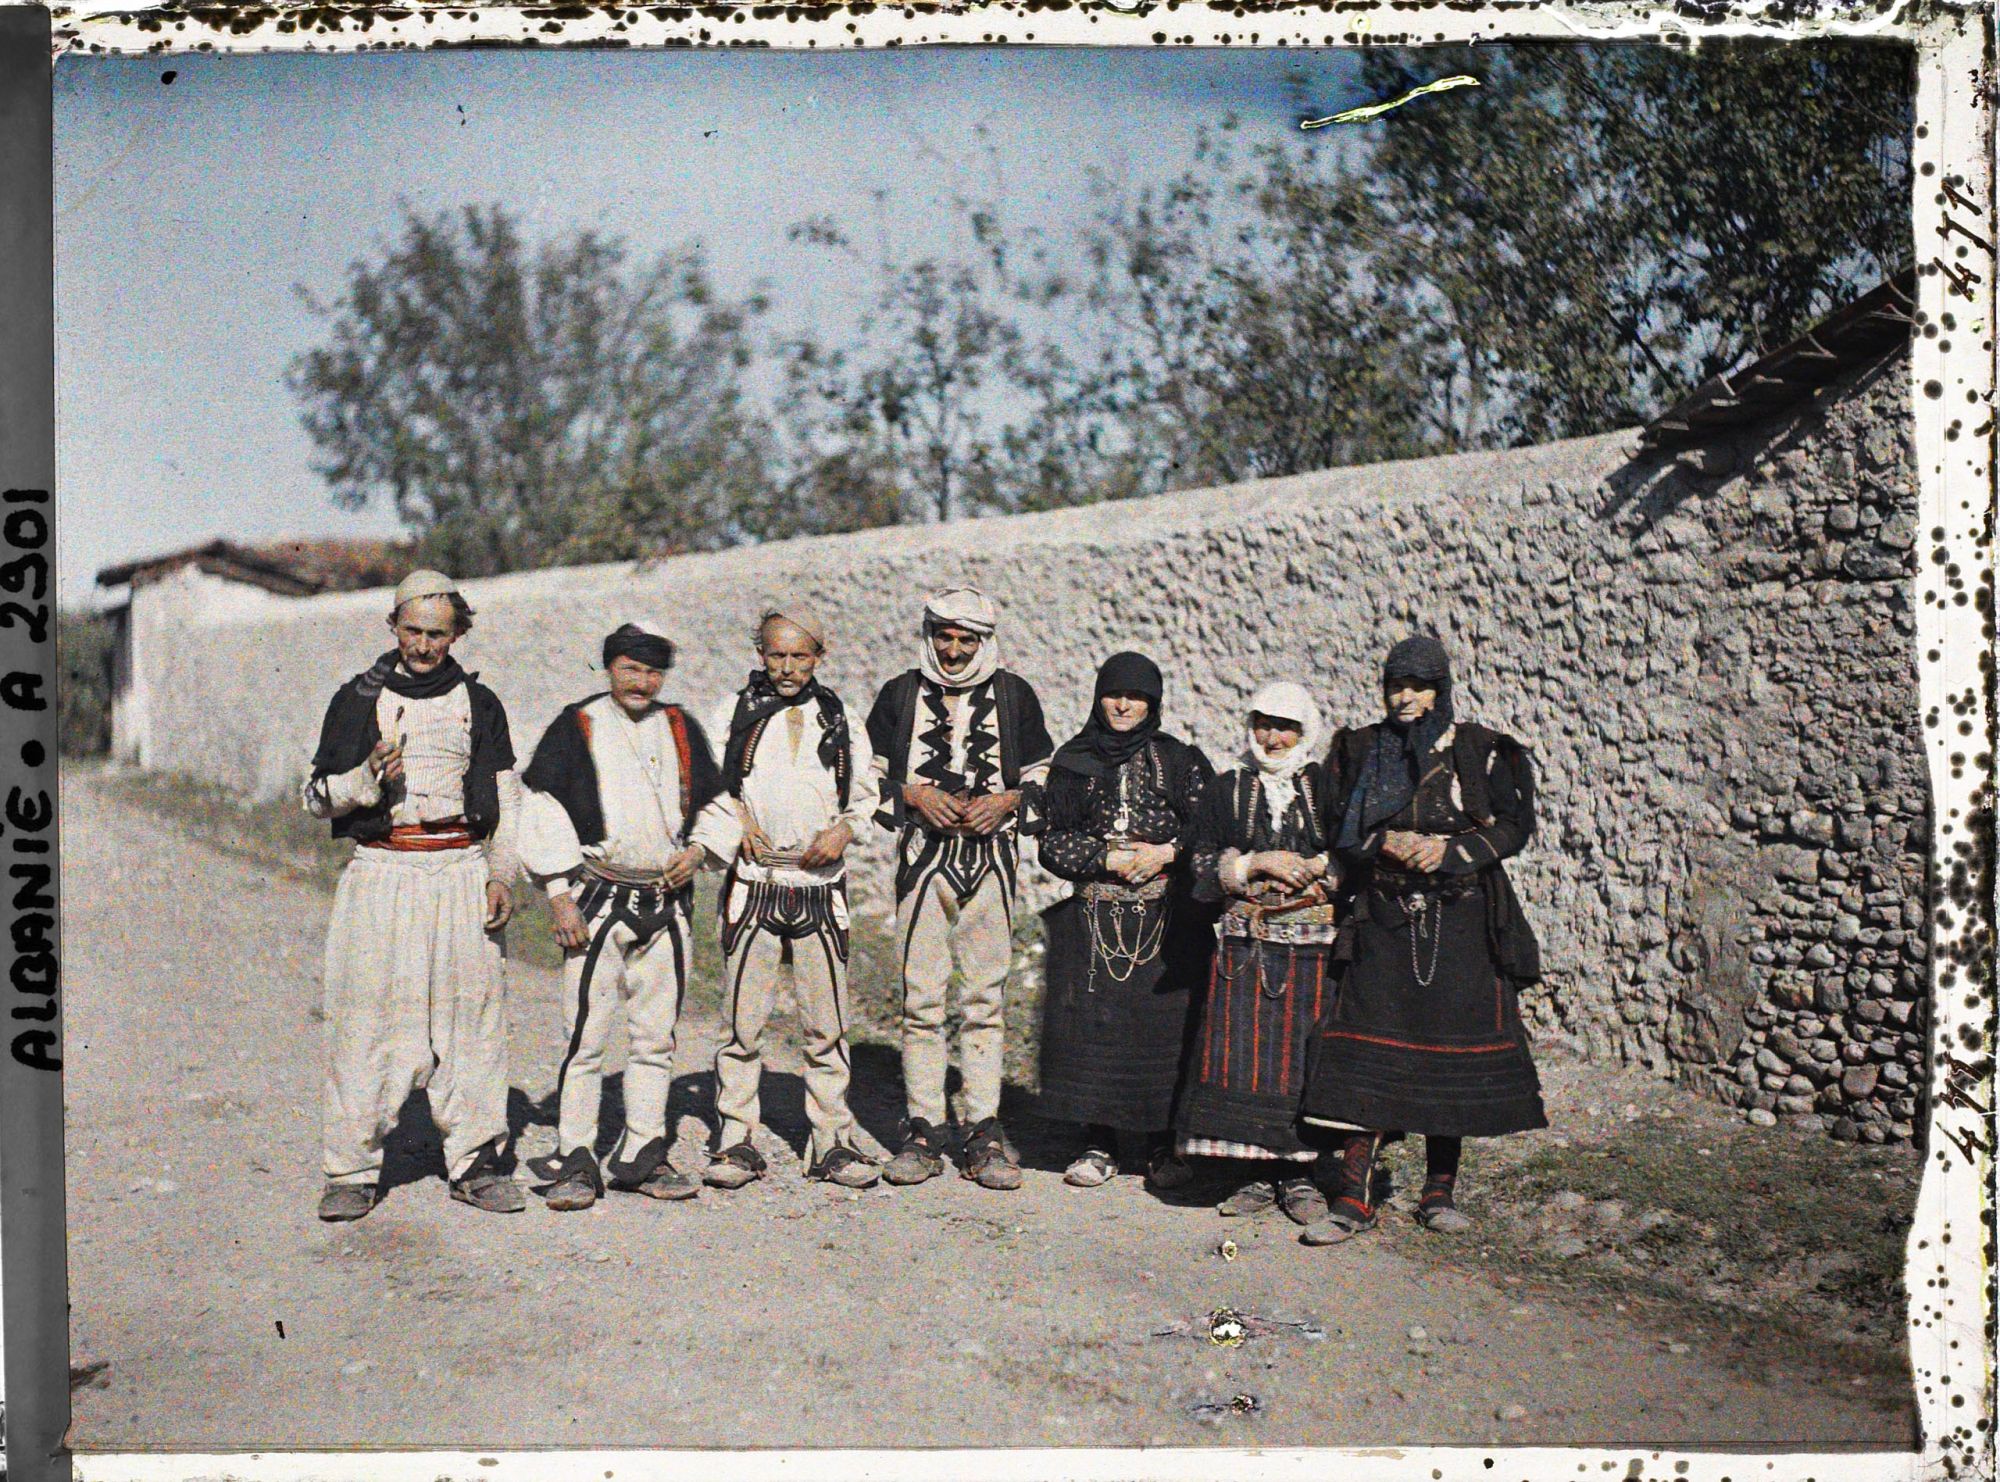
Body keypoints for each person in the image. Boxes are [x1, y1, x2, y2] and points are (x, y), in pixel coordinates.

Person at [1299, 635, 1547, 1246]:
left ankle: (1439, 1193)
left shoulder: (1481, 749)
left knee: (1447, 1056)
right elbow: (1336, 826)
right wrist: (1379, 842)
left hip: (1461, 922)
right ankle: (1354, 1198)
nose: (1404, 697)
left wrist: (1449, 851)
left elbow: (1517, 824)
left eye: (1417, 685)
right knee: (1368, 1055)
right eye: (1394, 685)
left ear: (1440, 689)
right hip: (1382, 922)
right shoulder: (1360, 750)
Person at [303, 569, 525, 1222]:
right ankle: (351, 1169)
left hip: (459, 869)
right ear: (392, 626)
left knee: (472, 1022)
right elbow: (315, 798)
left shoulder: (479, 704)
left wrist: (501, 873)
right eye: (413, 631)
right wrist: (365, 776)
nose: (424, 646)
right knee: (366, 1020)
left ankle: (477, 1163)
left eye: (438, 633)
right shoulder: (356, 698)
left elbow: (506, 793)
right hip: (381, 873)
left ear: (457, 632)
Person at [518, 622, 723, 1211]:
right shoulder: (577, 724)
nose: (642, 682)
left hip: (667, 901)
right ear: (609, 668)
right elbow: (544, 807)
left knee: (655, 1040)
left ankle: (642, 1153)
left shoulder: (680, 726)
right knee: (585, 1037)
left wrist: (700, 851)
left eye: (654, 671)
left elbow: (714, 800)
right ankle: (575, 1158)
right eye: (631, 668)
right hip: (597, 900)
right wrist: (558, 892)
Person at [864, 588, 1054, 1191]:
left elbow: (1043, 774)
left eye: (965, 639)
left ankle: (981, 1129)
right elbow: (864, 776)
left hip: (992, 863)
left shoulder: (1014, 694)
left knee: (984, 999)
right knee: (921, 999)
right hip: (922, 861)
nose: (952, 650)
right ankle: (922, 1127)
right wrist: (914, 795)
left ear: (983, 641)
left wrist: (1009, 801)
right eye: (943, 636)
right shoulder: (899, 694)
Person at [689, 605, 882, 1191]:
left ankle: (830, 1139)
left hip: (820, 887)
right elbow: (705, 779)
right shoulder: (732, 711)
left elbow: (866, 792)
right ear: (760, 654)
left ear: (819, 656)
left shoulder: (839, 715)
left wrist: (844, 831)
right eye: (777, 654)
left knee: (826, 1023)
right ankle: (736, 1136)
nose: (789, 667)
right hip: (755, 883)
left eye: (802, 655)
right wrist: (735, 818)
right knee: (743, 1020)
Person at [1033, 652, 1215, 1191]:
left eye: (1136, 697)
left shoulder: (1179, 761)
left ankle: (1163, 1145)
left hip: (1165, 920)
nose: (1123, 704)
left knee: (1161, 1033)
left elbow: (1208, 831)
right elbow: (1051, 842)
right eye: (1115, 694)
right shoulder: (1073, 761)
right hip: (1095, 920)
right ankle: (1099, 1143)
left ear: (1152, 703)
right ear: (1099, 696)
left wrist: (1166, 854)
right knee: (1097, 1032)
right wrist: (1106, 859)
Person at [1176, 682, 1339, 1225]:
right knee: (1245, 1059)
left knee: (1298, 1060)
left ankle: (1299, 1175)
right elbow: (1200, 858)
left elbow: (1352, 854)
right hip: (1243, 949)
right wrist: (1253, 864)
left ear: (1305, 731)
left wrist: (1316, 871)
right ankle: (1250, 1175)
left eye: (1285, 726)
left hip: (1310, 949)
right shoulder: (1229, 786)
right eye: (1264, 724)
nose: (1273, 737)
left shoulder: (1326, 786)